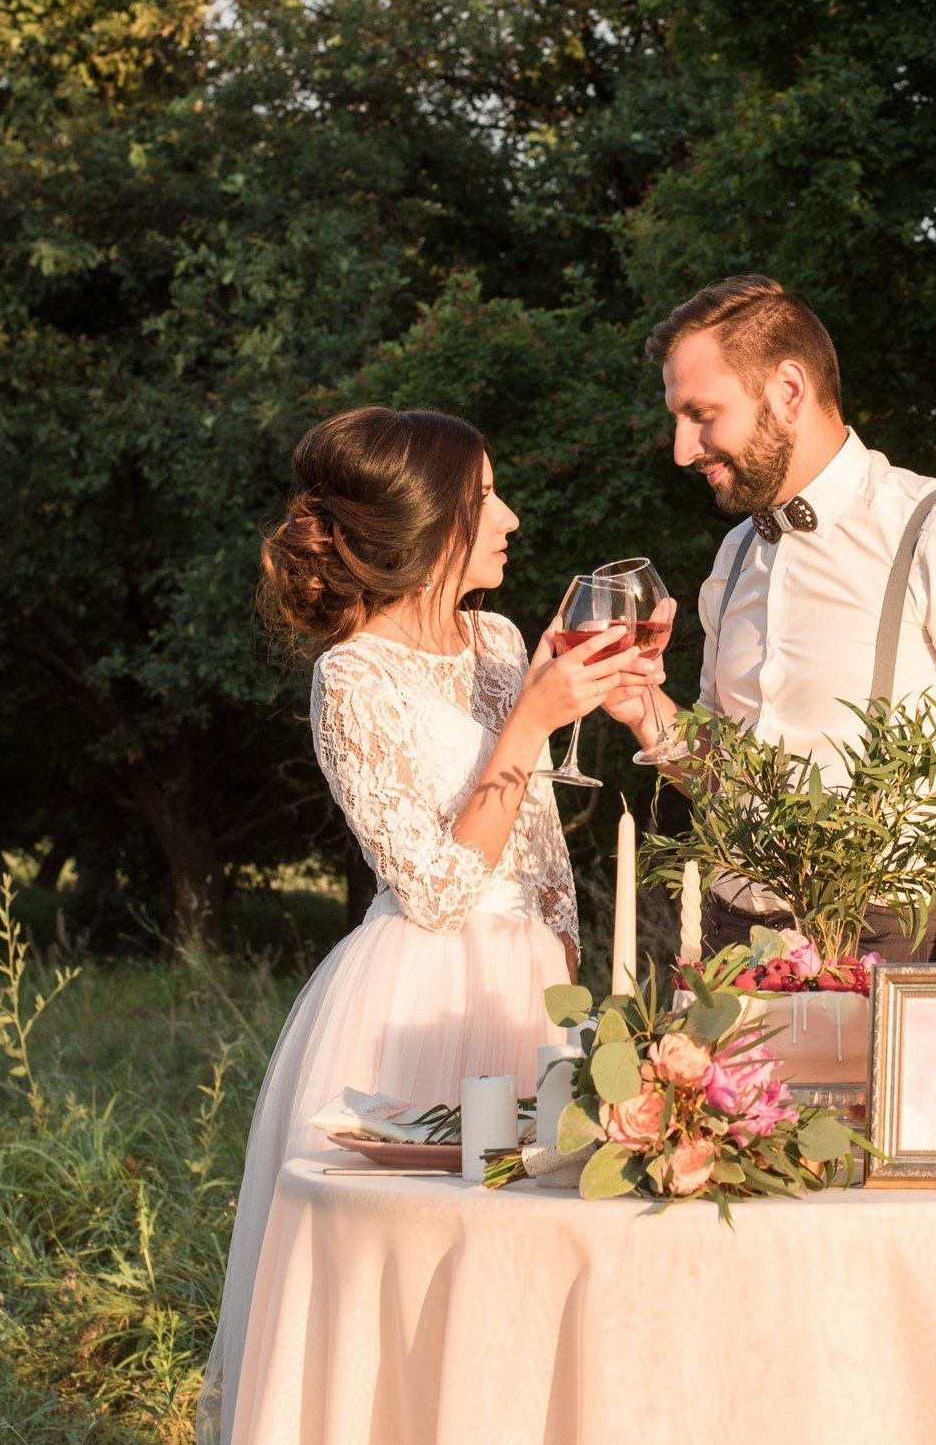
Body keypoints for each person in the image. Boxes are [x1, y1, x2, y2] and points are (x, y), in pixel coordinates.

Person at [198, 405, 653, 1444]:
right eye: (486, 497)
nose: (512, 518)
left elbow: (538, 847)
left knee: (536, 1270)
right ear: (431, 522)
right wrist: (535, 719)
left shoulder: (497, 639)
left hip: (535, 997)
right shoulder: (348, 679)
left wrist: (577, 984)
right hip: (417, 1000)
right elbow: (440, 891)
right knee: (417, 1274)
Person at [604, 276, 936, 959]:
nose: (683, 449)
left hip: (903, 949)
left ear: (788, 390)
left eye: (702, 414)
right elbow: (727, 778)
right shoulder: (735, 555)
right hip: (734, 950)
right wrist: (643, 706)